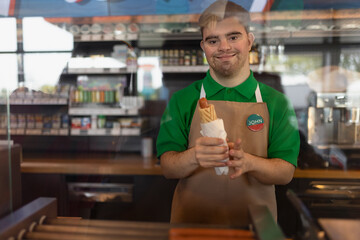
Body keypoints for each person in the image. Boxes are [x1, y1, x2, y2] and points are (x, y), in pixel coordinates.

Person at [156, 0, 300, 227]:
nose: (224, 47)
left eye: (233, 37)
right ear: (203, 46)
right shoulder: (182, 100)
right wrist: (194, 156)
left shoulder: (277, 102)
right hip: (193, 226)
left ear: (249, 40)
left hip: (255, 228)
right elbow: (168, 166)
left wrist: (249, 162)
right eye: (213, 40)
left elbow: (285, 173)